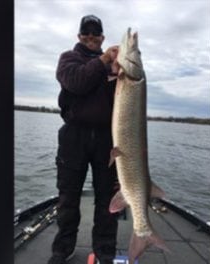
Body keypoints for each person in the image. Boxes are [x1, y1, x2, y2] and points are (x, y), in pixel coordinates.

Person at [47, 15, 120, 264]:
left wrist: (123, 70)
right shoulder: (69, 59)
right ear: (79, 36)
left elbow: (125, 101)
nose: (91, 38)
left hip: (107, 139)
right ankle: (63, 249)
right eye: (86, 34)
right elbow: (77, 83)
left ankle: (105, 252)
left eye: (96, 34)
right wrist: (103, 60)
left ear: (102, 37)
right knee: (68, 197)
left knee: (107, 200)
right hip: (73, 136)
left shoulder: (113, 66)